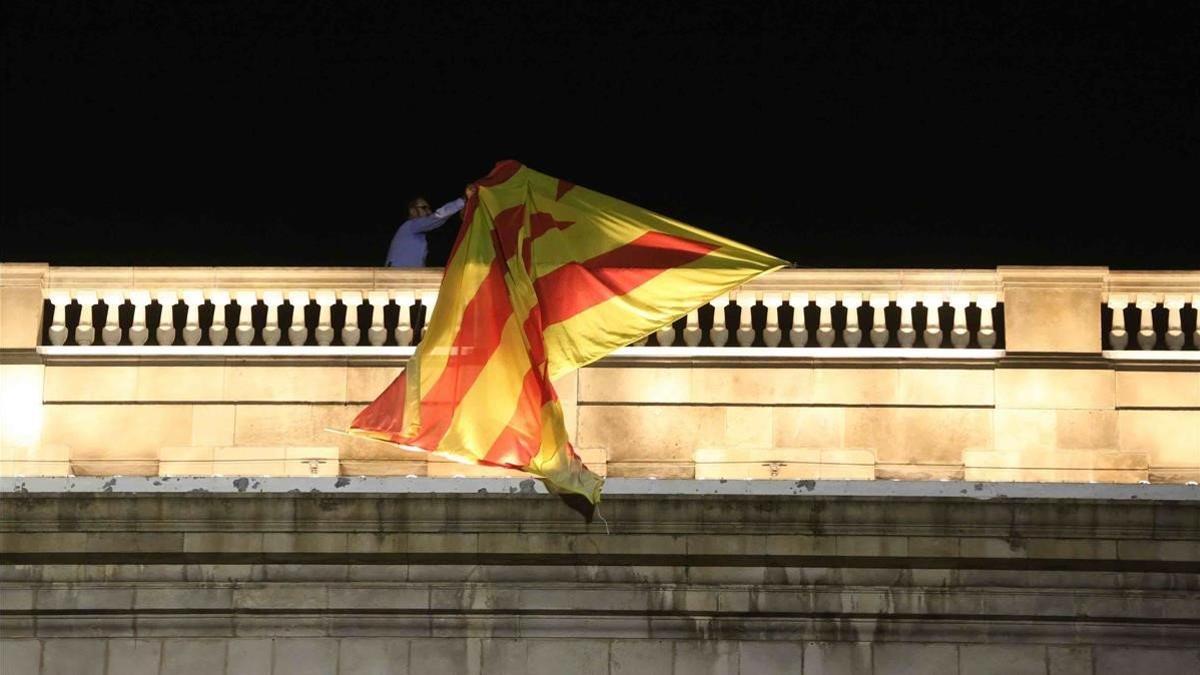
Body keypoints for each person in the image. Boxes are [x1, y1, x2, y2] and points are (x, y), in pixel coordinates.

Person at [385, 184, 476, 267]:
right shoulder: (410, 226)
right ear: (412, 211)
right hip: (397, 277)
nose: (428, 212)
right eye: (424, 208)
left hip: (407, 277)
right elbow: (438, 217)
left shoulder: (417, 234)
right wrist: (464, 199)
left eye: (429, 208)